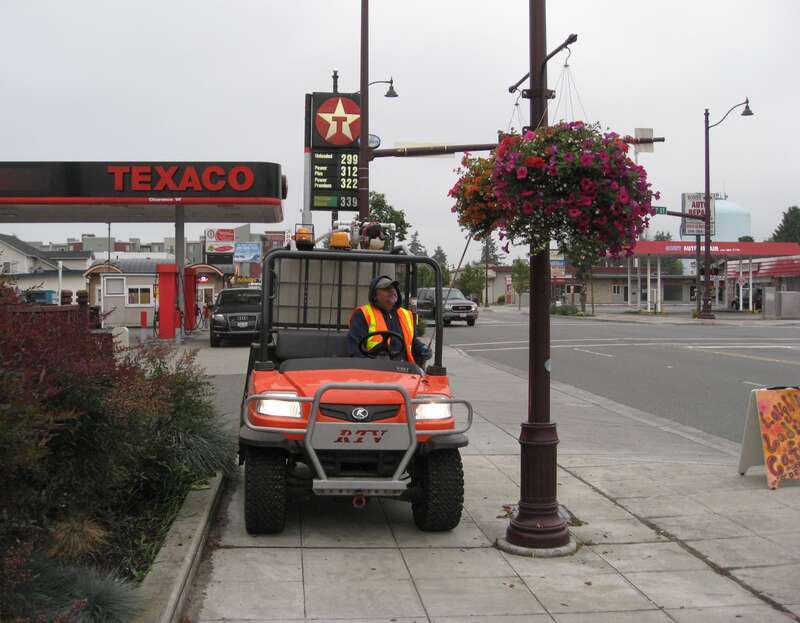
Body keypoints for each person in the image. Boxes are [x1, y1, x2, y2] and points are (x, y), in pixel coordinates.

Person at [348, 275, 431, 365]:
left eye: (393, 288)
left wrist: (421, 348)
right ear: (375, 295)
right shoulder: (362, 314)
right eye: (386, 288)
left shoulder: (405, 314)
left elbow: (412, 342)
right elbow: (356, 350)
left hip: (404, 369)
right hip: (375, 369)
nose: (392, 291)